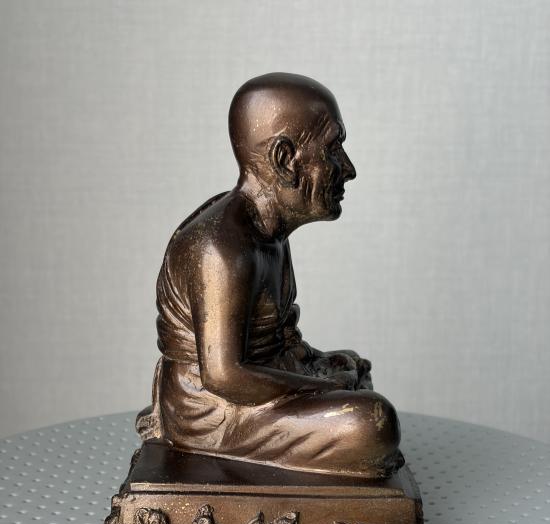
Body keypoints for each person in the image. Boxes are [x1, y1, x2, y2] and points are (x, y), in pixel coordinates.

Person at [137, 72, 404, 478]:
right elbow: (225, 376)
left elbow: (278, 341)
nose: (348, 170)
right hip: (213, 411)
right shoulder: (221, 247)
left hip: (250, 388)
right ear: (284, 160)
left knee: (354, 368)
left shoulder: (271, 233)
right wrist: (324, 387)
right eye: (333, 149)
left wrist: (317, 363)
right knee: (371, 424)